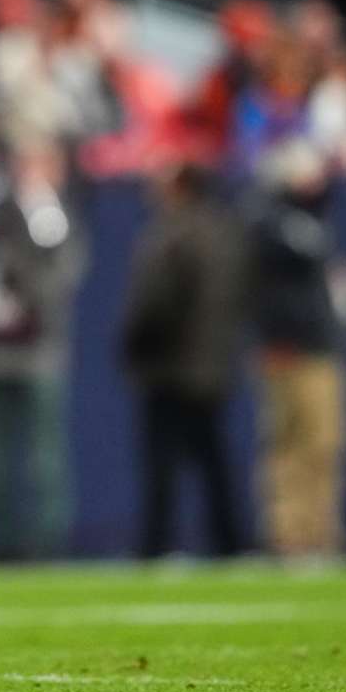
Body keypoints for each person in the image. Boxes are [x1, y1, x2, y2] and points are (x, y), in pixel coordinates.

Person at [0, 144, 84, 562]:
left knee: (44, 458)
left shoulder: (59, 218)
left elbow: (61, 273)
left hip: (38, 352)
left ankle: (48, 544)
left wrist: (21, 301)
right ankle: (4, 544)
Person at [119, 162, 247, 559]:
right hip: (213, 365)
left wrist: (136, 345)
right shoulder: (225, 232)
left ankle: (156, 545)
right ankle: (228, 543)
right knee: (213, 460)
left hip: (170, 366)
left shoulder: (171, 234)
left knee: (163, 464)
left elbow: (154, 302)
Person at [247, 139, 346, 560]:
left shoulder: (314, 221)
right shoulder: (270, 219)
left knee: (324, 444)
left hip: (321, 347)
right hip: (290, 348)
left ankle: (321, 531)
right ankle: (289, 534)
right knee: (291, 445)